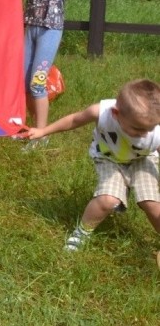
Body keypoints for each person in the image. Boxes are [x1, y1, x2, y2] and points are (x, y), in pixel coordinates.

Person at [19, 79, 160, 252]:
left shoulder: (155, 132)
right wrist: (43, 131)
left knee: (151, 204)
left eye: (150, 128)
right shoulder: (102, 112)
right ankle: (81, 233)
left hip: (142, 160)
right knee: (107, 200)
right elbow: (73, 120)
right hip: (109, 158)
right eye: (138, 129)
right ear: (116, 114)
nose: (144, 134)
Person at [9, 0, 77, 142]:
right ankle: (29, 128)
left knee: (37, 83)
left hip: (50, 29)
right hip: (32, 27)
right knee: (24, 81)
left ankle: (42, 134)